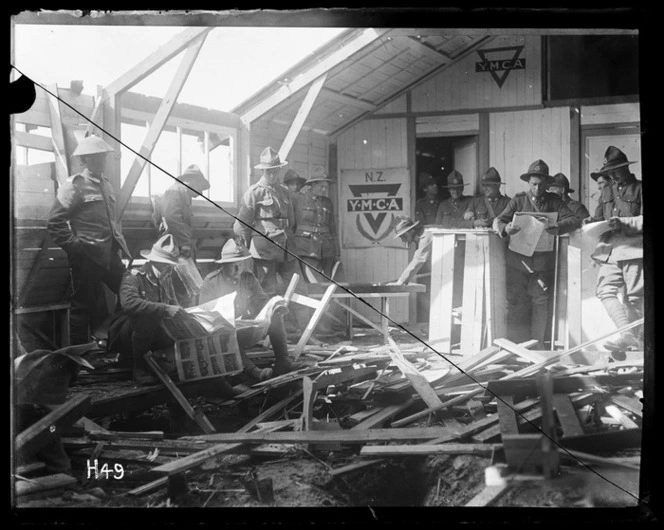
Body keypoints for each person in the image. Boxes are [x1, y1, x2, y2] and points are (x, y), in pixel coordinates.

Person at [47, 134, 132, 346]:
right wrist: (76, 247)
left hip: (110, 255)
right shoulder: (74, 185)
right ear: (85, 160)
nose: (102, 160)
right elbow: (55, 222)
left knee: (130, 292)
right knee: (81, 306)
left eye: (103, 156)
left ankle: (107, 336)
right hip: (87, 256)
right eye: (97, 157)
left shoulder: (106, 185)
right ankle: (78, 355)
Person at [493, 159, 581, 348]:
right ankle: (515, 344)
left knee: (540, 300)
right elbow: (498, 221)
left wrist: (556, 226)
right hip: (518, 261)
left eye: (541, 185)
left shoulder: (554, 201)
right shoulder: (518, 200)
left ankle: (537, 344)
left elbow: (575, 220)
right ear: (528, 183)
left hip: (542, 262)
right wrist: (506, 228)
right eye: (534, 184)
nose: (538, 188)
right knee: (516, 301)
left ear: (548, 184)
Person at [199, 239, 304, 381]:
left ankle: (283, 362)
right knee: (223, 328)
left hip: (247, 330)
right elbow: (204, 318)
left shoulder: (248, 278)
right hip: (223, 337)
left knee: (275, 314)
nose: (238, 269)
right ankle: (254, 372)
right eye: (233, 266)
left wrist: (273, 307)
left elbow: (263, 302)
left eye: (240, 264)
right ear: (223, 265)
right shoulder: (210, 282)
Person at [233, 147, 307, 331]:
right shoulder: (254, 192)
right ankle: (266, 333)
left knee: (298, 288)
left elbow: (292, 221)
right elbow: (242, 224)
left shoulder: (284, 192)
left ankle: (304, 331)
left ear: (279, 170)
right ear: (263, 171)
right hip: (264, 249)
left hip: (287, 249)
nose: (273, 175)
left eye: (275, 170)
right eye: (269, 171)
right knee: (267, 291)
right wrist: (247, 251)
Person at [584, 146, 643, 354]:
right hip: (610, 250)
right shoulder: (607, 191)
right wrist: (591, 222)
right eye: (610, 171)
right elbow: (600, 217)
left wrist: (625, 223)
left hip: (635, 250)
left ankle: (636, 344)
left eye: (617, 169)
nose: (613, 175)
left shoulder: (639, 189)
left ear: (626, 167)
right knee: (604, 290)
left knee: (634, 299)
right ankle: (626, 334)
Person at [107, 234, 186, 383]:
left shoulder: (166, 278)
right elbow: (129, 304)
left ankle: (163, 363)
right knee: (149, 317)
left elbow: (174, 304)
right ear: (153, 261)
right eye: (165, 264)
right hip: (125, 332)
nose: (169, 269)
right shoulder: (133, 276)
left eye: (171, 265)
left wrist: (183, 313)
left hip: (149, 333)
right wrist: (164, 309)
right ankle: (139, 370)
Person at [292, 166, 341, 282]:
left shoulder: (327, 202)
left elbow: (332, 229)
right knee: (315, 284)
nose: (324, 190)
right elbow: (291, 227)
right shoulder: (298, 200)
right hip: (307, 250)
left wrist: (337, 252)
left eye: (325, 186)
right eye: (321, 186)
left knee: (328, 284)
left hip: (327, 250)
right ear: (313, 184)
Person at [158, 164, 210, 260]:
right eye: (200, 186)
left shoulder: (184, 193)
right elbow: (171, 217)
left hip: (180, 246)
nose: (201, 193)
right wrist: (184, 242)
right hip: (174, 247)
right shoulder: (175, 190)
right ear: (191, 180)